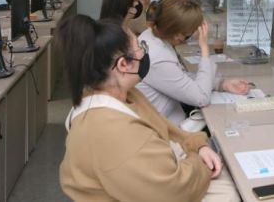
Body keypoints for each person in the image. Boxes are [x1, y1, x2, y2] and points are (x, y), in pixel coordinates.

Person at [58, 15, 238, 202]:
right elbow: (174, 191)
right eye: (140, 48)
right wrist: (199, 161)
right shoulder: (116, 133)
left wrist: (199, 146)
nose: (145, 54)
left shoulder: (125, 94)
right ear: (123, 64)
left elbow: (167, 129)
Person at [138, 0, 252, 125]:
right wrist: (204, 49)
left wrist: (222, 84)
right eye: (189, 32)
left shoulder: (151, 36)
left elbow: (180, 78)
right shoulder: (158, 56)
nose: (192, 35)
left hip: (168, 119)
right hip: (165, 130)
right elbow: (201, 98)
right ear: (177, 34)